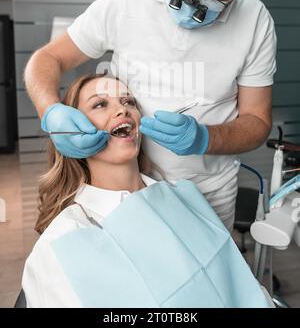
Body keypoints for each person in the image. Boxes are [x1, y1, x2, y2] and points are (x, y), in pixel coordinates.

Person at [24, 0, 277, 233]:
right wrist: (49, 111)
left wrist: (205, 138)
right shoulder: (127, 0)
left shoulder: (256, 21)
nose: (188, 4)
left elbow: (257, 123)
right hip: (128, 190)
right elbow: (48, 57)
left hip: (209, 193)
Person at [22, 74, 272, 308]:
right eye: (100, 104)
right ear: (71, 131)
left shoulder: (183, 196)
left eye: (129, 101)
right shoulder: (64, 239)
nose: (123, 110)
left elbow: (238, 281)